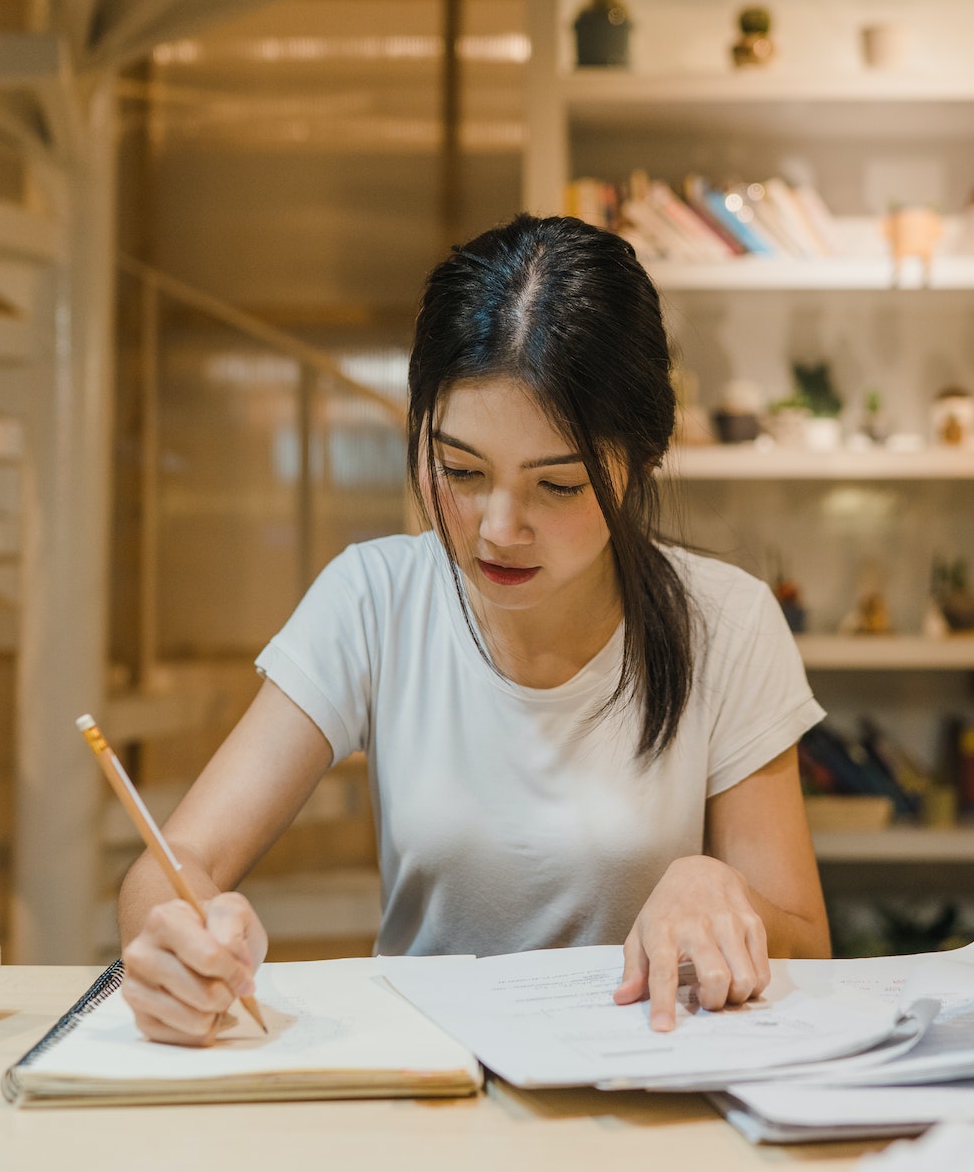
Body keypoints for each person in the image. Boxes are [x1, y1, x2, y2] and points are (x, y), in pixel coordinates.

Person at [116, 215, 831, 1045]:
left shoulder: (727, 622)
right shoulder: (373, 598)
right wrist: (175, 934)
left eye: (557, 485)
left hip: (644, 1084)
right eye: (460, 470)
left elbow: (808, 947)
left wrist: (723, 891)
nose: (497, 527)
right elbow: (172, 864)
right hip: (427, 1086)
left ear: (638, 463)